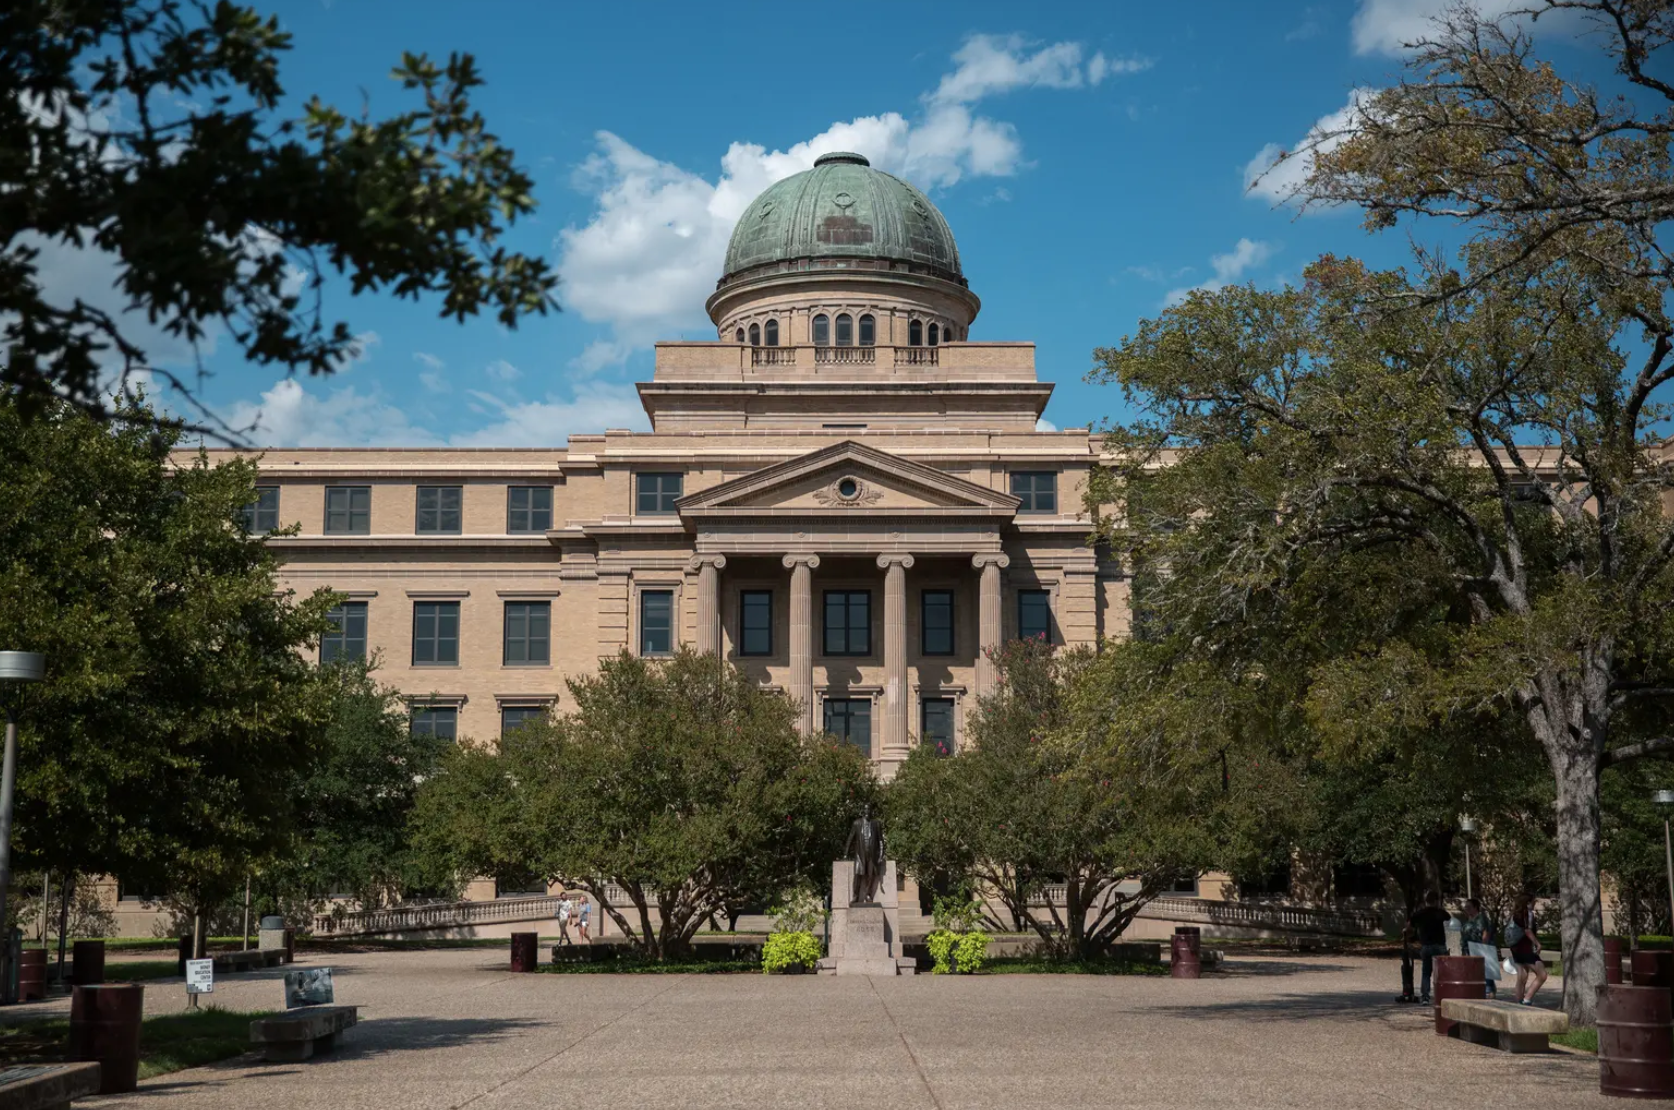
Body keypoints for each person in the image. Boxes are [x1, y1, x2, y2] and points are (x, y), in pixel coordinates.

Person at [1405, 889, 1450, 1003]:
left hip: (1426, 945)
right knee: (1441, 971)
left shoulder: (1420, 914)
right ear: (1436, 901)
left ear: (1426, 901)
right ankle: (1442, 995)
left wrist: (1411, 935)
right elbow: (1448, 919)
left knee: (1426, 972)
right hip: (1439, 945)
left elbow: (1409, 925)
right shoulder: (1441, 913)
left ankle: (1425, 996)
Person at [1507, 895, 1548, 1005]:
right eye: (1534, 901)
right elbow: (1527, 931)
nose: (1535, 903)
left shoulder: (1514, 914)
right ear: (1529, 902)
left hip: (1515, 948)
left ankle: (1518, 1002)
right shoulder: (1528, 913)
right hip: (1525, 948)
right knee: (1542, 974)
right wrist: (1537, 943)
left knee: (1522, 976)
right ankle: (1527, 999)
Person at [1460, 897, 1499, 998]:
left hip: (1479, 947)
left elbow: (1485, 933)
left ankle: (1489, 991)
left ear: (1475, 907)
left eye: (1469, 907)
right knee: (1474, 972)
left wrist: (1483, 948)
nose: (1466, 909)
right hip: (1468, 949)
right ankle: (1477, 990)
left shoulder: (1481, 919)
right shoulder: (1469, 920)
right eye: (1465, 907)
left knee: (1485, 970)